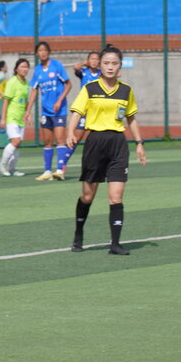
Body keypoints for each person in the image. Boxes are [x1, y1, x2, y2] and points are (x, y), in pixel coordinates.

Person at [64, 45, 147, 256]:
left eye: (114, 63)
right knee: (87, 196)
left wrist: (139, 143)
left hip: (118, 144)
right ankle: (78, 233)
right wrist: (70, 132)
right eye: (106, 63)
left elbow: (131, 118)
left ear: (120, 66)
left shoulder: (126, 90)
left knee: (116, 197)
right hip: (95, 143)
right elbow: (76, 112)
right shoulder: (90, 88)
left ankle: (115, 244)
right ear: (99, 65)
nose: (110, 67)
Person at [28, 40, 72, 181]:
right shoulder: (37, 70)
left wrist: (59, 101)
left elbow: (68, 85)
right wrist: (28, 110)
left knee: (60, 140)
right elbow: (34, 90)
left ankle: (59, 170)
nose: (43, 53)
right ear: (37, 54)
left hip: (59, 110)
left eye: (45, 50)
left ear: (48, 52)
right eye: (40, 50)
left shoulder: (57, 65)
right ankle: (47, 171)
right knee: (47, 141)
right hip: (45, 111)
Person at [0, 58, 32, 177]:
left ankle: (12, 169)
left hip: (21, 118)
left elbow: (26, 101)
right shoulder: (12, 82)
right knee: (16, 141)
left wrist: (28, 114)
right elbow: (6, 101)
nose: (24, 69)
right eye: (22, 67)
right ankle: (2, 164)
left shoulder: (26, 83)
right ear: (16, 69)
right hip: (11, 117)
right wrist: (3, 118)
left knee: (17, 143)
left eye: (26, 67)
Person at [71, 51, 101, 144]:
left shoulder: (101, 74)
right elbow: (76, 67)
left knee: (98, 138)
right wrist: (84, 63)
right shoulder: (84, 72)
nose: (94, 61)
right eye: (92, 59)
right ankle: (65, 154)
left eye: (96, 59)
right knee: (76, 138)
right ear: (88, 60)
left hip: (97, 109)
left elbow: (116, 75)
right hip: (85, 108)